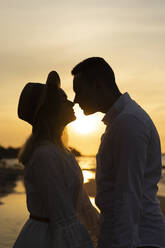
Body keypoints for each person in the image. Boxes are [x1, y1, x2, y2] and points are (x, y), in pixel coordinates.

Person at [71, 57, 165, 248]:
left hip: (139, 239)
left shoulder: (128, 123)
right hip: (127, 234)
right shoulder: (121, 121)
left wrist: (124, 243)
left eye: (79, 91)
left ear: (98, 86)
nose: (76, 100)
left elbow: (128, 194)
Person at [13, 71, 99, 248]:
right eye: (63, 99)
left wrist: (103, 232)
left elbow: (83, 205)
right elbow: (63, 217)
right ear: (50, 109)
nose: (72, 102)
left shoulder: (62, 152)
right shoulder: (45, 155)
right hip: (47, 239)